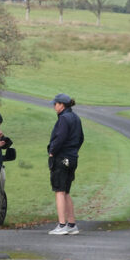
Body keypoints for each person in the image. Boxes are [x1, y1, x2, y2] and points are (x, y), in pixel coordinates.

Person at [47, 93, 83, 235]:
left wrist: (52, 151)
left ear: (62, 105)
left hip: (61, 157)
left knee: (59, 191)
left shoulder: (63, 119)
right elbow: (81, 138)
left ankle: (62, 225)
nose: (54, 106)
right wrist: (73, 151)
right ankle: (72, 224)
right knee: (66, 191)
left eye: (55, 104)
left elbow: (60, 137)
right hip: (73, 158)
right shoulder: (76, 118)